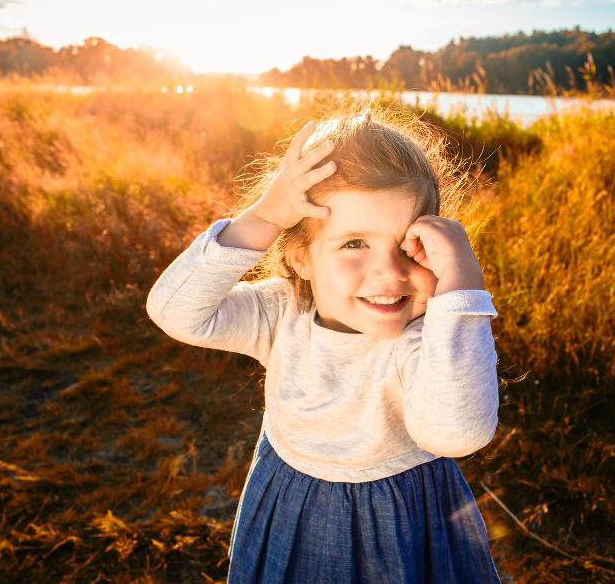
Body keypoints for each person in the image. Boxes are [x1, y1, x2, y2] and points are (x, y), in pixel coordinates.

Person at [146, 105, 502, 583]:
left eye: (408, 246)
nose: (390, 271)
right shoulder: (281, 311)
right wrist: (266, 214)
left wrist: (460, 286)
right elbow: (175, 312)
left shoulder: (428, 340)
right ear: (302, 260)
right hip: (290, 509)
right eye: (354, 243)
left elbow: (460, 434)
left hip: (401, 528)